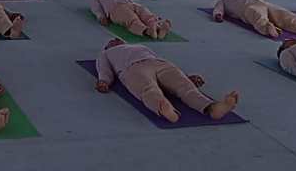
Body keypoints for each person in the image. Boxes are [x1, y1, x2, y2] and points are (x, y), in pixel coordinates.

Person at [94, 39, 239, 123]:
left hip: (159, 63)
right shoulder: (106, 53)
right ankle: (165, 110)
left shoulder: (140, 46)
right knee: (148, 89)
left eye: (116, 39)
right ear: (107, 47)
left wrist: (187, 76)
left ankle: (212, 108)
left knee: (185, 86)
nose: (114, 40)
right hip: (132, 69)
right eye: (111, 42)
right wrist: (104, 81)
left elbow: (161, 63)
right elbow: (103, 68)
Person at [212, 0, 296, 39]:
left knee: (285, 16)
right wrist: (218, 16)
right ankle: (268, 28)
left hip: (265, 4)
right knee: (258, 17)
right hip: (246, 8)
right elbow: (218, 10)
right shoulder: (223, 0)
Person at [91, 0, 170, 39]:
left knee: (145, 13)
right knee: (130, 18)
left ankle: (157, 27)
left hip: (132, 4)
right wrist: (101, 16)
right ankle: (147, 31)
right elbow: (95, 7)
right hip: (115, 9)